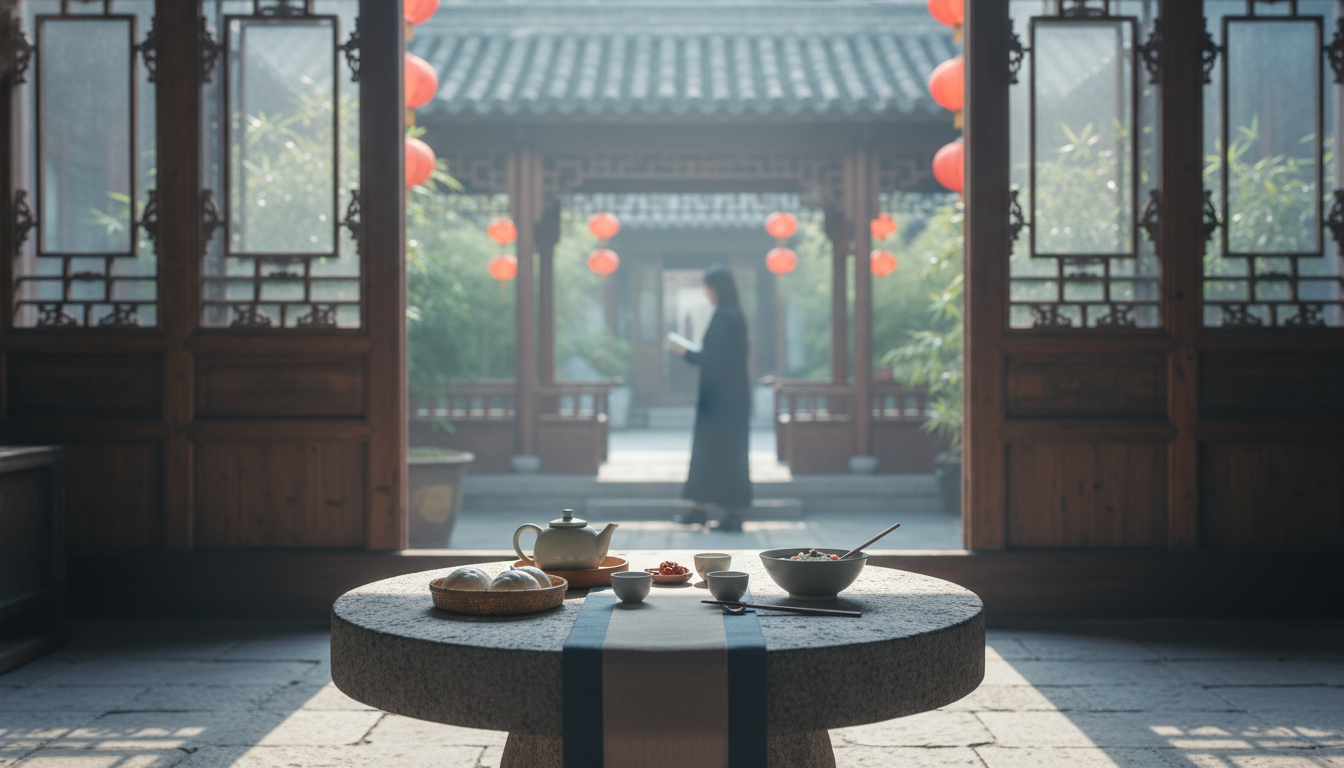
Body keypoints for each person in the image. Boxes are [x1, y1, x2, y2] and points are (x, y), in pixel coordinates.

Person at [667, 265, 752, 532]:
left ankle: (731, 514)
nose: (706, 293)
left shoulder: (725, 316)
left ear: (717, 288)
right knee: (715, 452)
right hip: (727, 396)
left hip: (722, 400)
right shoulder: (732, 314)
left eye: (708, 288)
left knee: (724, 454)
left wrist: (686, 353)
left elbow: (714, 359)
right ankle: (703, 509)